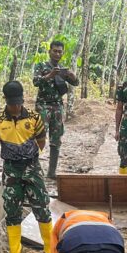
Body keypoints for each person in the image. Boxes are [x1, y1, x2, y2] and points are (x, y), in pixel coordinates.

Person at [0, 81, 53, 253]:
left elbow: (42, 141)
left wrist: (29, 154)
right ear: (6, 100)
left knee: (42, 207)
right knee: (12, 210)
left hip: (32, 167)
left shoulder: (35, 118)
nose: (16, 106)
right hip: (11, 170)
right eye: (13, 103)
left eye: (19, 102)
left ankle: (50, 250)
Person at [32, 40, 79, 178]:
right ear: (49, 52)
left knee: (56, 139)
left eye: (60, 52)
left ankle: (52, 172)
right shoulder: (41, 66)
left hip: (57, 106)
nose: (57, 54)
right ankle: (34, 168)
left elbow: (75, 83)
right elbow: (36, 82)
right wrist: (49, 75)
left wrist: (71, 76)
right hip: (43, 105)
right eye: (55, 51)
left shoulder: (62, 69)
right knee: (39, 136)